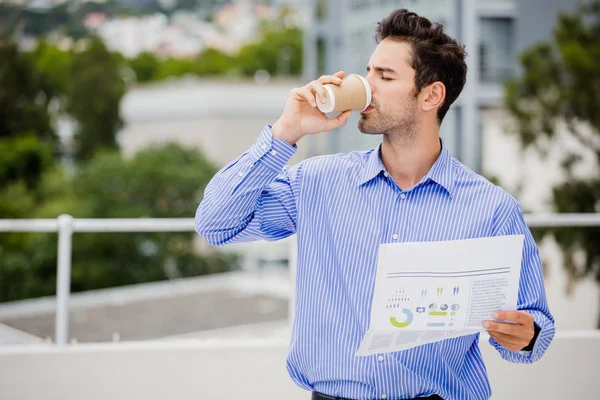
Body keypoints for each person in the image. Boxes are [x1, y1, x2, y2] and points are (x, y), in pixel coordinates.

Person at [195, 8, 554, 400]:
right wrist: (286, 131)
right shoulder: (317, 182)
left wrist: (524, 334)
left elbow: (534, 328)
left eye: (384, 77)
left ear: (431, 95)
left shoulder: (492, 208)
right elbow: (215, 223)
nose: (365, 86)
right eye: (368, 73)